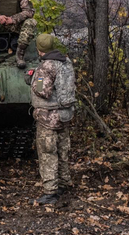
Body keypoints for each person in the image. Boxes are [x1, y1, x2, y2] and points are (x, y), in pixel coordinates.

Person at [28, 34, 76, 205]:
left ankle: (50, 192)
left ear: (39, 49)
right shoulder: (66, 62)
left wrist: (32, 79)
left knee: (48, 153)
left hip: (48, 118)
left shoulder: (45, 66)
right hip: (65, 114)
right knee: (63, 150)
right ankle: (64, 183)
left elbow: (42, 91)